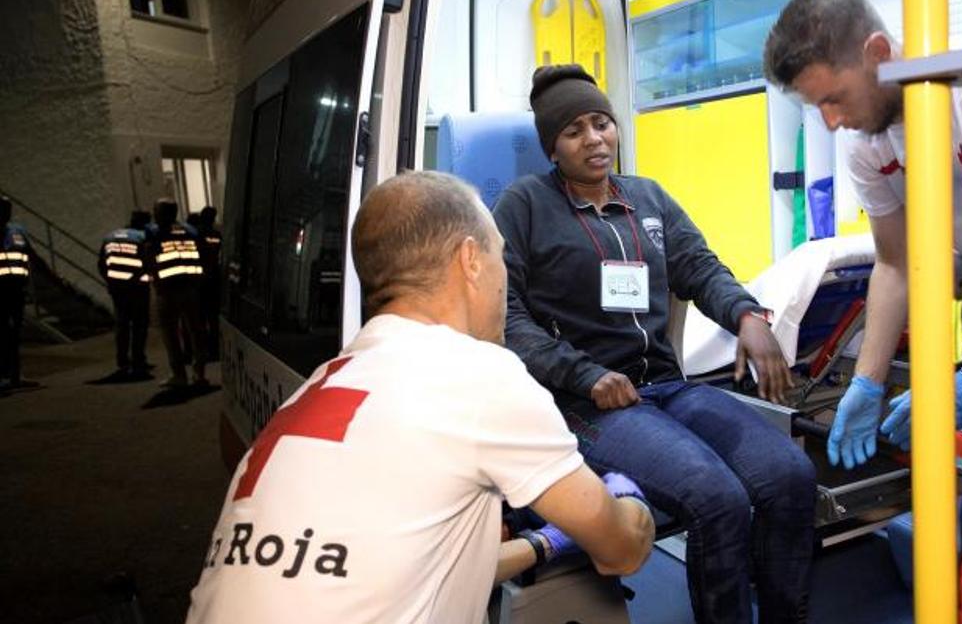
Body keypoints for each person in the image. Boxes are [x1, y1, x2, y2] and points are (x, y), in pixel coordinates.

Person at [186, 171, 654, 624]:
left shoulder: (323, 384)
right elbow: (622, 549)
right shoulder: (477, 374)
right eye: (500, 258)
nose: (503, 279)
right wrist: (628, 507)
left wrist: (544, 543)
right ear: (471, 260)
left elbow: (402, 569)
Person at [493, 65, 817, 624]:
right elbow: (505, 313)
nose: (594, 139)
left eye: (602, 123)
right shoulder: (525, 206)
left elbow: (700, 266)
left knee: (791, 476)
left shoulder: (648, 197)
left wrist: (747, 315)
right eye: (574, 132)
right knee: (718, 498)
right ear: (552, 149)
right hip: (588, 403)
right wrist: (582, 374)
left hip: (666, 387)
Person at [763, 0, 962, 469]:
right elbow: (895, 263)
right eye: (817, 107)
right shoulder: (865, 138)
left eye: (834, 98)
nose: (830, 123)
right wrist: (866, 382)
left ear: (878, 53)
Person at [145, 198, 207, 388]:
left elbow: (149, 259)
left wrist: (154, 281)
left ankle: (179, 375)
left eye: (156, 210)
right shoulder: (191, 231)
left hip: (168, 290)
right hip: (190, 288)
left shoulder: (154, 232)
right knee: (196, 332)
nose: (154, 214)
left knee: (171, 334)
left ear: (163, 213)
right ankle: (199, 374)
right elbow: (202, 256)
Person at [98, 210, 153, 380]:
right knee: (139, 325)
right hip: (137, 288)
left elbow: (101, 263)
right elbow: (148, 262)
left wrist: (110, 280)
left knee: (122, 325)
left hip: (117, 288)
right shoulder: (143, 237)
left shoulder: (110, 236)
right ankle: (138, 360)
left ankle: (122, 361)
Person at [1, 195, 33, 392]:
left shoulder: (18, 232)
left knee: (14, 334)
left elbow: (30, 255)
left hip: (17, 290)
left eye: (7, 208)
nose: (6, 212)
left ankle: (15, 376)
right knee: (3, 333)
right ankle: (4, 375)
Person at [193, 206, 222, 361]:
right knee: (213, 318)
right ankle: (214, 349)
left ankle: (203, 350)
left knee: (200, 318)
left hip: (200, 279)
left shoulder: (196, 234)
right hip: (214, 278)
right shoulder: (216, 234)